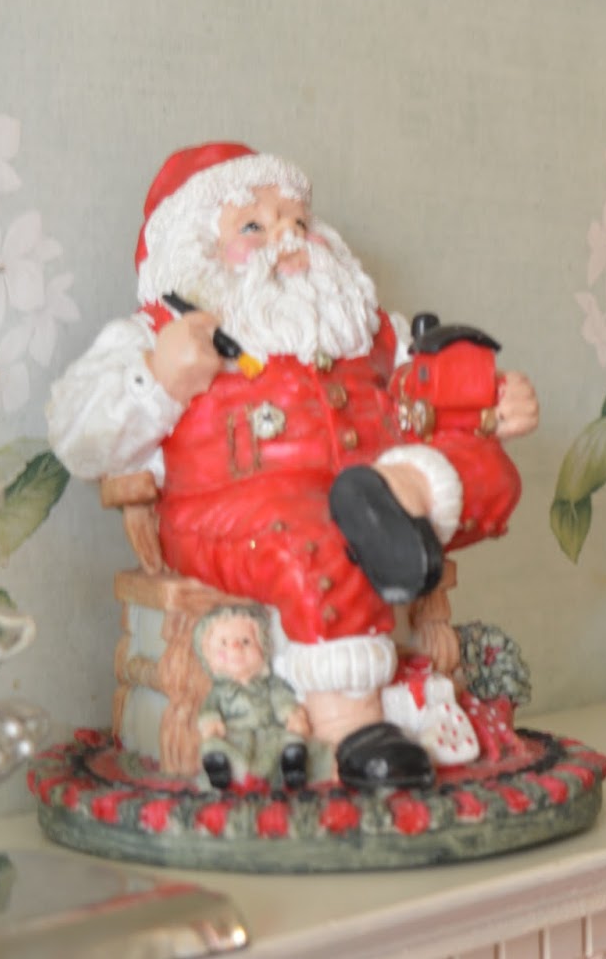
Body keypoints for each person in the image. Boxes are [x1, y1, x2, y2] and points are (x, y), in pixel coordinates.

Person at [48, 142, 538, 789]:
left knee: (490, 470)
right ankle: (352, 727)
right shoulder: (161, 331)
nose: (287, 237)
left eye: (298, 222)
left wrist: (489, 404)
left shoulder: (360, 326)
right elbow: (75, 433)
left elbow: (433, 395)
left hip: (366, 487)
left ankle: (392, 494)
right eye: (254, 225)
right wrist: (158, 376)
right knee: (317, 532)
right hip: (232, 512)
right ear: (193, 250)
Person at [194, 606, 308, 790]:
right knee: (215, 745)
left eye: (246, 641)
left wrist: (290, 714)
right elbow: (209, 708)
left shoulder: (270, 684)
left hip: (269, 732)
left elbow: (281, 699)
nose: (236, 647)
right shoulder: (219, 691)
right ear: (208, 656)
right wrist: (210, 721)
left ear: (262, 647)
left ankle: (291, 765)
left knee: (288, 740)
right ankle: (221, 770)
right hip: (234, 735)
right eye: (224, 643)